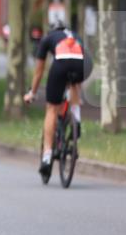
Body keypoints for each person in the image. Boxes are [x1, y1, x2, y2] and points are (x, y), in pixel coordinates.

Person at [23, 18, 88, 179]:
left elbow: (39, 71)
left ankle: (46, 157)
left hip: (61, 65)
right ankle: (76, 119)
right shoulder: (75, 35)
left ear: (52, 30)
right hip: (81, 65)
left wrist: (32, 92)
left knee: (52, 108)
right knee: (73, 85)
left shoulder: (48, 38)